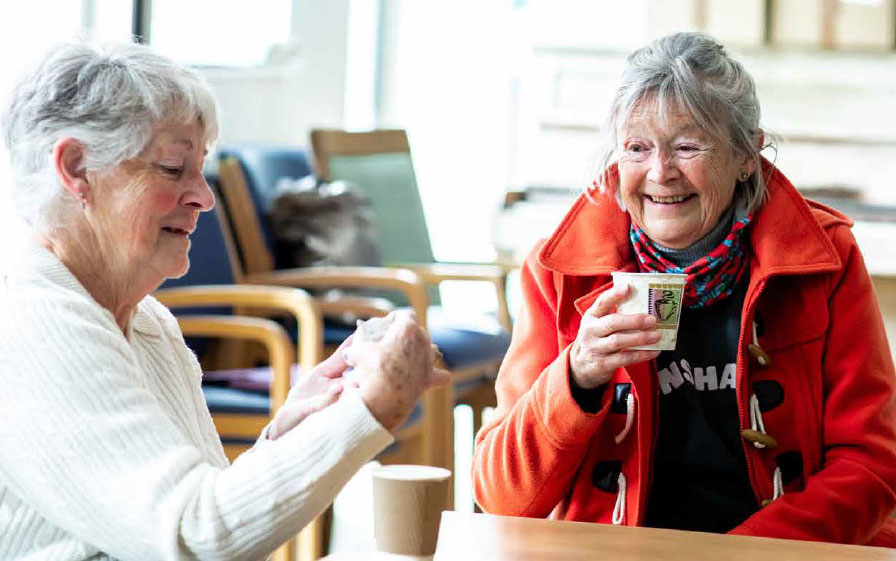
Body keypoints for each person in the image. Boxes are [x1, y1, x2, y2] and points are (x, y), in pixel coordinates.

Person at [0, 40, 449, 560]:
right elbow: (196, 539)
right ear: (77, 168)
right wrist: (372, 406)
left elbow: (192, 510)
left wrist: (293, 432)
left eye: (200, 168)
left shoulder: (148, 323)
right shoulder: (32, 325)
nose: (203, 196)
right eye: (172, 168)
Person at [473, 32, 896, 545]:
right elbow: (501, 495)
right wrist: (577, 377)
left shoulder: (826, 261)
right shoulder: (558, 270)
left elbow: (873, 465)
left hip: (779, 553)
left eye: (687, 146)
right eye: (636, 148)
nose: (659, 173)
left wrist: (741, 555)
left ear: (747, 154)